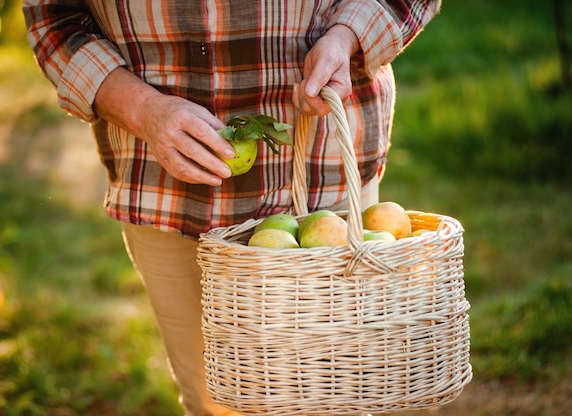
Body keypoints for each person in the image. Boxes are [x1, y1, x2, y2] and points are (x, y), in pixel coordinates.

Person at [23, 1, 441, 414]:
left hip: (323, 164)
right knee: (215, 400)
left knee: (334, 397)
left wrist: (345, 36)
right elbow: (54, 17)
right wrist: (143, 109)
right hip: (166, 188)